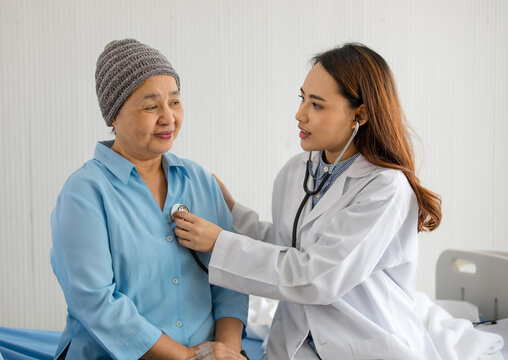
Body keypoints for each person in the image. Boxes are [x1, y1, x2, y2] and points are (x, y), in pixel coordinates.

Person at [173, 43, 444, 359]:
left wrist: (220, 244)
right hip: (296, 342)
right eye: (303, 99)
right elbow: (286, 247)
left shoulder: (385, 188)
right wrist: (233, 212)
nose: (300, 114)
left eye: (317, 105)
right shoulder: (296, 172)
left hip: (365, 342)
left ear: (361, 114)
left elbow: (318, 277)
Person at [50, 39, 248, 360]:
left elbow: (230, 276)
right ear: (114, 116)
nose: (168, 118)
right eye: (151, 106)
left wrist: (226, 350)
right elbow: (97, 304)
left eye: (175, 102)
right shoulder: (84, 194)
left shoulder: (198, 181)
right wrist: (186, 357)